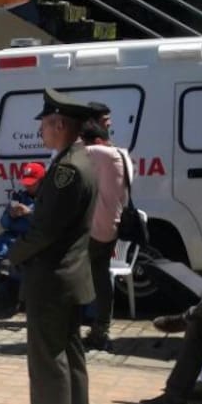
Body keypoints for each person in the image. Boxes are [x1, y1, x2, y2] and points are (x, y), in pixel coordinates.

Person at [5, 89, 99, 404]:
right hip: (69, 276)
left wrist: (13, 254)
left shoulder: (66, 170)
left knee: (48, 360)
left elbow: (46, 230)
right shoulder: (79, 160)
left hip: (53, 277)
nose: (40, 131)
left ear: (59, 124)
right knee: (70, 357)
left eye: (44, 124)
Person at [81, 111, 133, 352]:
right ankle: (101, 330)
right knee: (101, 279)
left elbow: (69, 152)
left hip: (94, 228)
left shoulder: (100, 153)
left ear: (96, 141)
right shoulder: (123, 155)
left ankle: (81, 328)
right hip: (112, 227)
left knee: (77, 276)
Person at [0, 161, 44, 289]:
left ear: (42, 181)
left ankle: (16, 289)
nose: (28, 186)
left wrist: (29, 213)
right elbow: (3, 223)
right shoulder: (19, 197)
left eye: (32, 183)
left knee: (20, 268)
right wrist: (10, 215)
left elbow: (46, 225)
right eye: (26, 183)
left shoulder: (48, 199)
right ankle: (2, 285)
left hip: (30, 241)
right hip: (9, 239)